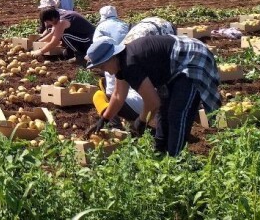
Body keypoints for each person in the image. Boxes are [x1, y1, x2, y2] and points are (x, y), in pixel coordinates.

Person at [86, 34, 220, 156]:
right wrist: (104, 119)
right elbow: (118, 95)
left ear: (112, 57)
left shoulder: (129, 64)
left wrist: (141, 121)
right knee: (164, 111)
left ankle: (174, 160)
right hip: (173, 66)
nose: (105, 71)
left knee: (177, 113)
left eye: (102, 66)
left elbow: (153, 102)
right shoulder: (121, 63)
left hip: (192, 58)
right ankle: (160, 151)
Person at [91, 6, 140, 124]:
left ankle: (114, 122)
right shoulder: (123, 24)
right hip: (126, 56)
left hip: (113, 60)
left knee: (104, 94)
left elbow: (97, 49)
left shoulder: (101, 27)